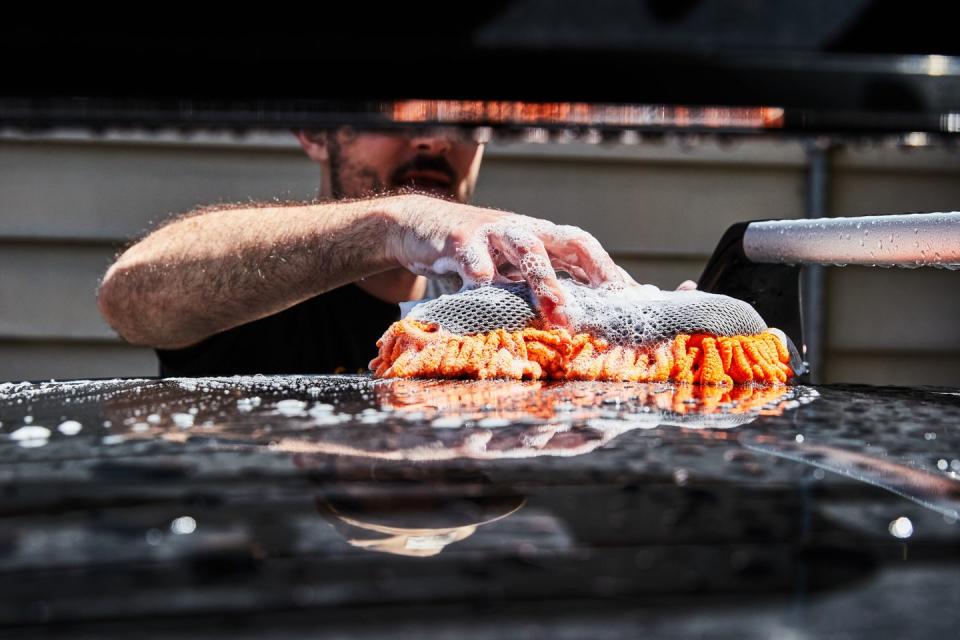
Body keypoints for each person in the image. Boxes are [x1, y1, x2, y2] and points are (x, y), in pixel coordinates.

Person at [96, 126, 637, 376]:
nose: (431, 138)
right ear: (314, 131)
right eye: (392, 108)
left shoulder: (514, 315)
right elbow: (129, 297)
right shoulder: (254, 284)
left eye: (462, 112)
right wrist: (394, 223)